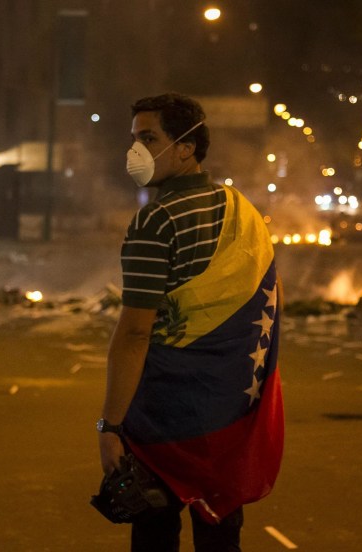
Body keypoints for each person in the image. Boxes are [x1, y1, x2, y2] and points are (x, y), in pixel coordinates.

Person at [97, 92, 284, 552]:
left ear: (185, 147)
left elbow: (136, 331)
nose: (135, 151)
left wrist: (111, 426)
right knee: (221, 538)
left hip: (161, 418)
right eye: (134, 139)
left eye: (148, 138)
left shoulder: (156, 222)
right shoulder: (244, 211)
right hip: (226, 414)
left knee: (156, 535)